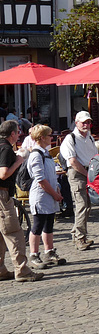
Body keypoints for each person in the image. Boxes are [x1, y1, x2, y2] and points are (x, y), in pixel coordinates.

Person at [0, 120, 44, 282]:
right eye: (17, 132)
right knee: (14, 233)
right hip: (2, 196)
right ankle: (22, 270)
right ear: (12, 134)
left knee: (1, 234)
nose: (19, 134)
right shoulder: (5, 149)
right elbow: (3, 174)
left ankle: (1, 269)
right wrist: (18, 161)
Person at [26, 125, 65, 270]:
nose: (52, 137)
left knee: (49, 223)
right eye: (49, 135)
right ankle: (34, 255)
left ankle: (49, 251)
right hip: (41, 196)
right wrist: (54, 194)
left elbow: (51, 176)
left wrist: (57, 190)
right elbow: (41, 180)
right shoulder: (36, 155)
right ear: (41, 137)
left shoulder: (46, 153)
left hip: (50, 194)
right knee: (37, 225)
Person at [60, 111, 98, 251]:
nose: (86, 125)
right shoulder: (70, 138)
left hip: (88, 172)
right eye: (83, 122)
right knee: (82, 205)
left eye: (88, 122)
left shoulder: (89, 137)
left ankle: (77, 233)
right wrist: (87, 174)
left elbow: (93, 154)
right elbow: (73, 161)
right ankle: (79, 238)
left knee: (88, 206)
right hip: (77, 173)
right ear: (76, 123)